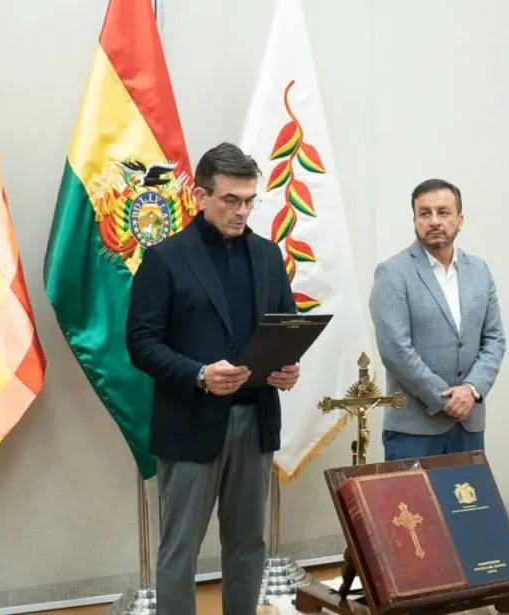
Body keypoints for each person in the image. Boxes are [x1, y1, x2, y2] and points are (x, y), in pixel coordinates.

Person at [125, 142, 300, 615]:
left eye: (249, 200)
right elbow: (140, 344)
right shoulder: (164, 259)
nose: (242, 211)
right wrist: (199, 375)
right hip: (190, 422)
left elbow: (286, 323)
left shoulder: (268, 256)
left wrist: (288, 366)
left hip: (255, 419)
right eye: (231, 200)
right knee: (180, 548)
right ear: (201, 196)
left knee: (248, 542)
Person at [369, 178, 505, 461]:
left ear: (460, 220)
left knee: (469, 506)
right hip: (413, 430)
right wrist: (443, 399)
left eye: (443, 212)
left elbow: (494, 340)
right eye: (424, 213)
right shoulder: (393, 273)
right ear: (415, 219)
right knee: (410, 507)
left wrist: (471, 390)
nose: (433, 221)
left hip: (468, 424)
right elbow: (395, 350)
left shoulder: (480, 271)